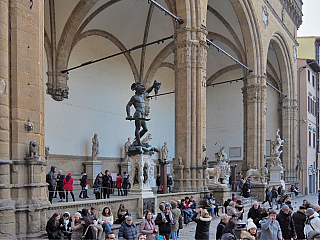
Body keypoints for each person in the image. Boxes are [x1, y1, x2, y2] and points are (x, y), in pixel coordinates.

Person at [126, 80, 161, 146]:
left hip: (142, 114)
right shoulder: (134, 97)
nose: (143, 91)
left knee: (145, 129)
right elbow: (128, 105)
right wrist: (128, 115)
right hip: (138, 114)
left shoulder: (141, 96)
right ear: (138, 89)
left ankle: (137, 140)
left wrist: (153, 86)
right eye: (141, 90)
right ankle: (139, 143)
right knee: (138, 128)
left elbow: (148, 91)